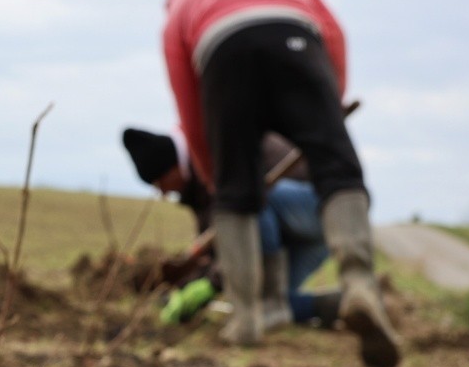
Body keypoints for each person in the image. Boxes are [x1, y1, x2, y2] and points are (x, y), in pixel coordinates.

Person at [160, 0, 401, 367]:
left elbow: (190, 110)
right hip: (293, 32)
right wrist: (329, 103)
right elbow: (333, 34)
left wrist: (214, 176)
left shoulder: (178, 13)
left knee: (237, 194)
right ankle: (360, 284)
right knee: (337, 168)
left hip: (221, 50)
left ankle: (247, 318)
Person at [122, 127, 340, 329]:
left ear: (172, 167)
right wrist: (190, 285)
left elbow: (239, 229)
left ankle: (273, 301)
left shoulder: (216, 151)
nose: (163, 193)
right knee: (252, 301)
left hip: (319, 209)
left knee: (252, 196)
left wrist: (211, 284)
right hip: (297, 238)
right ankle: (339, 303)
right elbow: (217, 246)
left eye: (160, 183)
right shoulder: (197, 186)